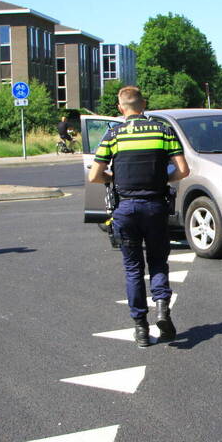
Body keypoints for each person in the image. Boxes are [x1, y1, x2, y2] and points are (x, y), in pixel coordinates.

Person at [88, 86, 190, 347]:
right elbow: (183, 170)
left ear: (121, 108)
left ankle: (141, 329)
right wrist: (160, 179)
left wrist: (114, 178)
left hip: (126, 210)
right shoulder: (162, 131)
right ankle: (162, 311)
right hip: (155, 207)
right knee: (158, 262)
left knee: (133, 269)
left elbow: (94, 176)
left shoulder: (113, 135)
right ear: (143, 104)